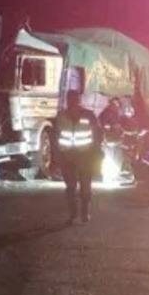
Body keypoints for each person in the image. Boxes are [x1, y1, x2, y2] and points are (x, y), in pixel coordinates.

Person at [54, 90, 103, 224]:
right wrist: (57, 157)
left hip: (85, 156)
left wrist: (96, 154)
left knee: (85, 186)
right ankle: (73, 213)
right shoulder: (61, 116)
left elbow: (98, 134)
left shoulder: (89, 115)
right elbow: (55, 137)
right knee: (70, 187)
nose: (74, 103)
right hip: (67, 156)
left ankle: (84, 212)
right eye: (71, 100)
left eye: (76, 100)